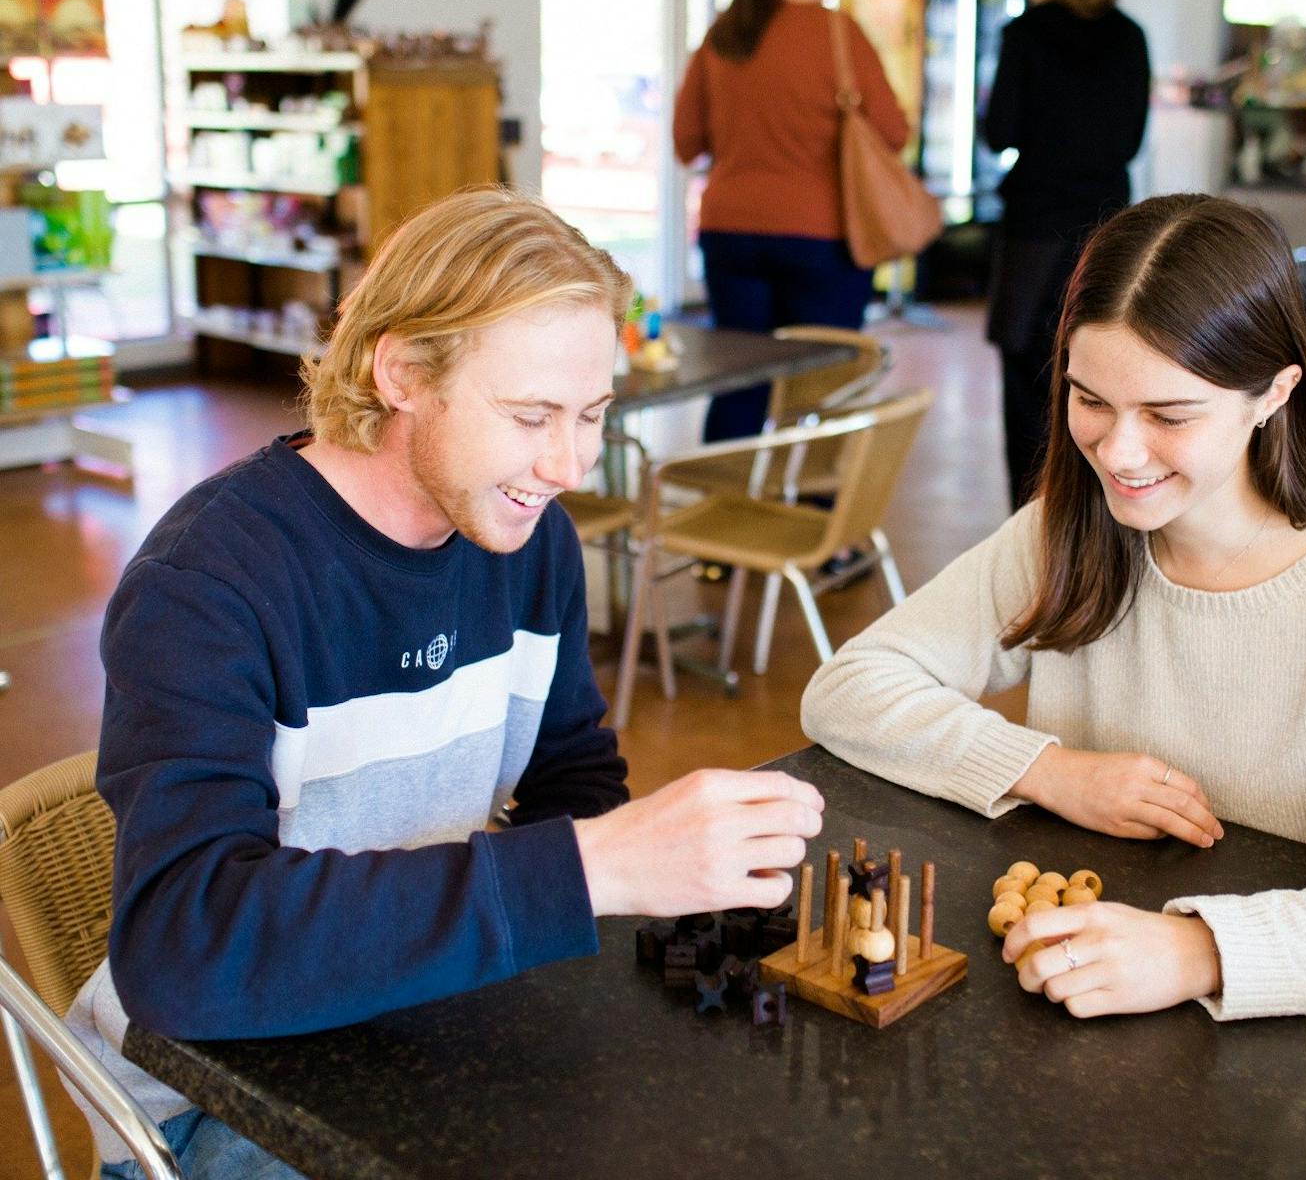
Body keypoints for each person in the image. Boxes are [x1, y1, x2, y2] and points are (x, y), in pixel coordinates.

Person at [68, 187, 825, 1179]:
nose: (569, 463)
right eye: (530, 416)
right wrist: (591, 870)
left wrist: (643, 866)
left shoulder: (527, 537)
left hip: (420, 1008)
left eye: (593, 414)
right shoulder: (210, 584)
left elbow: (572, 777)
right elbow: (184, 948)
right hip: (211, 1093)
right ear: (403, 372)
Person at [801, 193, 1306, 1021]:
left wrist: (1204, 951)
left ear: (1273, 394)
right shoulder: (1068, 527)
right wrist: (1046, 770)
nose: (1119, 453)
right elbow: (849, 686)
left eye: (1169, 415)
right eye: (1090, 400)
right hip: (1084, 998)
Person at [673, 0, 908, 444]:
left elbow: (686, 141)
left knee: (739, 380)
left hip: (730, 230)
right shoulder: (839, 34)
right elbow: (894, 132)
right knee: (824, 383)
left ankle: (728, 505)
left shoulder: (725, 35)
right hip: (822, 233)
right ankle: (814, 511)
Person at [984, 0, 1149, 510]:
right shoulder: (1129, 37)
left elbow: (999, 131)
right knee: (1101, 376)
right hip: (1106, 230)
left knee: (1025, 378)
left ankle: (1030, 523)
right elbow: (1130, 140)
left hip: (1035, 227)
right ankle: (1091, 517)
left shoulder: (1026, 33)